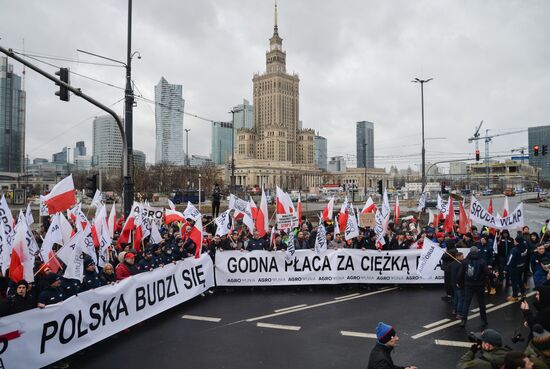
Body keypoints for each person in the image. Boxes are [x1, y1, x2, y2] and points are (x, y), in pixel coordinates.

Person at [460, 246, 497, 327]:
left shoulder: (465, 261)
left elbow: (461, 274)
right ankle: (484, 320)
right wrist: (494, 276)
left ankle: (463, 320)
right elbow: (487, 272)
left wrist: (460, 283)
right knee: (481, 303)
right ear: (477, 252)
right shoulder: (481, 261)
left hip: (468, 285)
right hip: (479, 284)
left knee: (466, 303)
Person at [507, 235, 530, 301]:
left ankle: (515, 296)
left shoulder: (514, 250)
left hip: (514, 268)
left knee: (514, 281)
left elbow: (510, 260)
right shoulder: (525, 247)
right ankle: (523, 293)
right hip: (522, 266)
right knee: (520, 280)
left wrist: (506, 268)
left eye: (515, 240)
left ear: (517, 242)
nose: (514, 241)